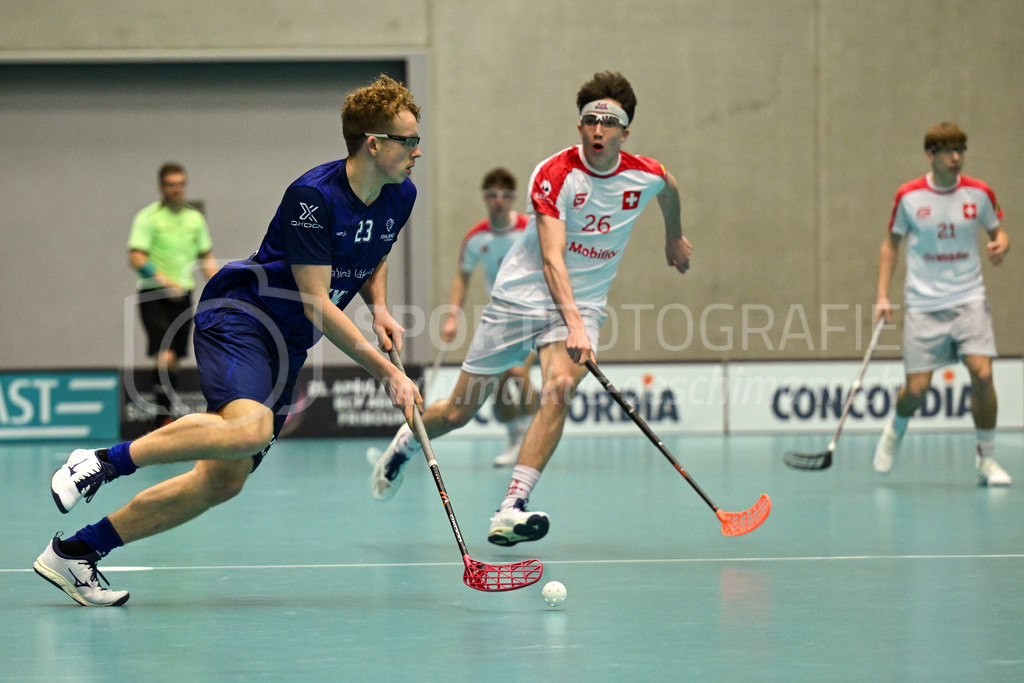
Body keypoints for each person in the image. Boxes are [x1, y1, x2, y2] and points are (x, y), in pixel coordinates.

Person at [34, 74, 424, 607]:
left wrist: (378, 306)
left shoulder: (401, 193)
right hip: (243, 315)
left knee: (224, 481)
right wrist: (389, 373)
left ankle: (76, 553)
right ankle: (102, 461)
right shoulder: (313, 198)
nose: (416, 151)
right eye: (408, 140)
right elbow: (317, 300)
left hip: (288, 345)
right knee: (248, 429)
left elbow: (374, 248)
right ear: (374, 142)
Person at [371, 71, 692, 546]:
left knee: (559, 386)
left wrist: (673, 236)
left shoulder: (644, 174)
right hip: (520, 300)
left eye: (609, 122)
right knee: (458, 412)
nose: (598, 130)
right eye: (589, 120)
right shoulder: (556, 174)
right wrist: (576, 325)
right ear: (580, 125)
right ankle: (406, 441)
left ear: (626, 132)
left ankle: (511, 507)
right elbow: (551, 258)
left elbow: (669, 189)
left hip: (582, 303)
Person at [873, 122, 1011, 486]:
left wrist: (1002, 243)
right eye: (948, 151)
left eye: (961, 150)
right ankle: (894, 429)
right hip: (923, 304)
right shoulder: (909, 196)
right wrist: (883, 295)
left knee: (982, 373)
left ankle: (986, 460)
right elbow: (891, 246)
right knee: (916, 391)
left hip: (969, 298)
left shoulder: (979, 193)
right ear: (929, 155)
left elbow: (998, 230)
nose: (956, 158)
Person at [440, 167, 538, 466]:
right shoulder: (475, 238)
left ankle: (531, 436)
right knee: (498, 381)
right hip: (500, 316)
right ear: (485, 197)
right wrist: (452, 316)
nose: (499, 201)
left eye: (506, 196)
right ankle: (515, 439)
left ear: (514, 199)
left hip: (534, 313)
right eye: (493, 195)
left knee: (517, 374)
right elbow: (462, 278)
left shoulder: (528, 229)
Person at [128, 163, 219, 427]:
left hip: (184, 297)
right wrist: (163, 281)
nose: (176, 189)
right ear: (161, 187)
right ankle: (163, 419)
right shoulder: (148, 218)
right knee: (164, 353)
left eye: (181, 184)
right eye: (171, 184)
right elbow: (136, 256)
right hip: (153, 296)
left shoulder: (195, 219)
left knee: (175, 358)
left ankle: (166, 411)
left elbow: (206, 257)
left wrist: (223, 285)